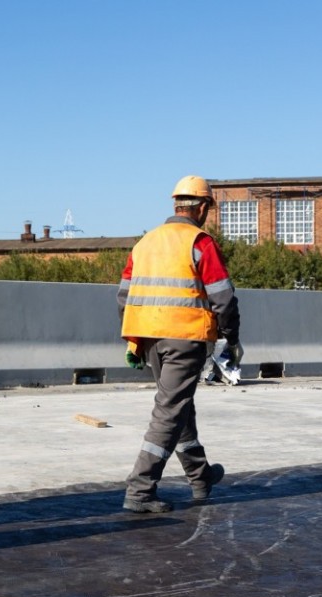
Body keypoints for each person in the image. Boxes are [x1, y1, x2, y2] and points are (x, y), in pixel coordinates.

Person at [118, 175, 242, 513]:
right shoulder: (200, 242)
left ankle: (200, 476)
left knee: (179, 406)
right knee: (170, 411)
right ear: (202, 207)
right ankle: (140, 491)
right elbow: (223, 297)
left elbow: (123, 297)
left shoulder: (144, 244)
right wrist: (232, 337)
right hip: (185, 337)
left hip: (150, 339)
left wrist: (134, 341)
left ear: (176, 204)